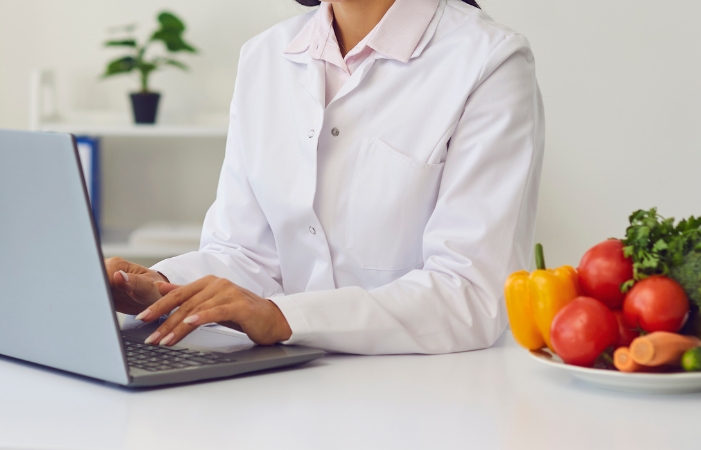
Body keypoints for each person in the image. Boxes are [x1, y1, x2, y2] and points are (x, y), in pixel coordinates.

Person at [104, 0, 545, 355]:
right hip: (283, 385)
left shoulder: (489, 61)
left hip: (425, 397)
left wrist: (284, 318)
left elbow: (471, 294)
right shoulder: (264, 57)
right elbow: (246, 255)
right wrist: (157, 288)